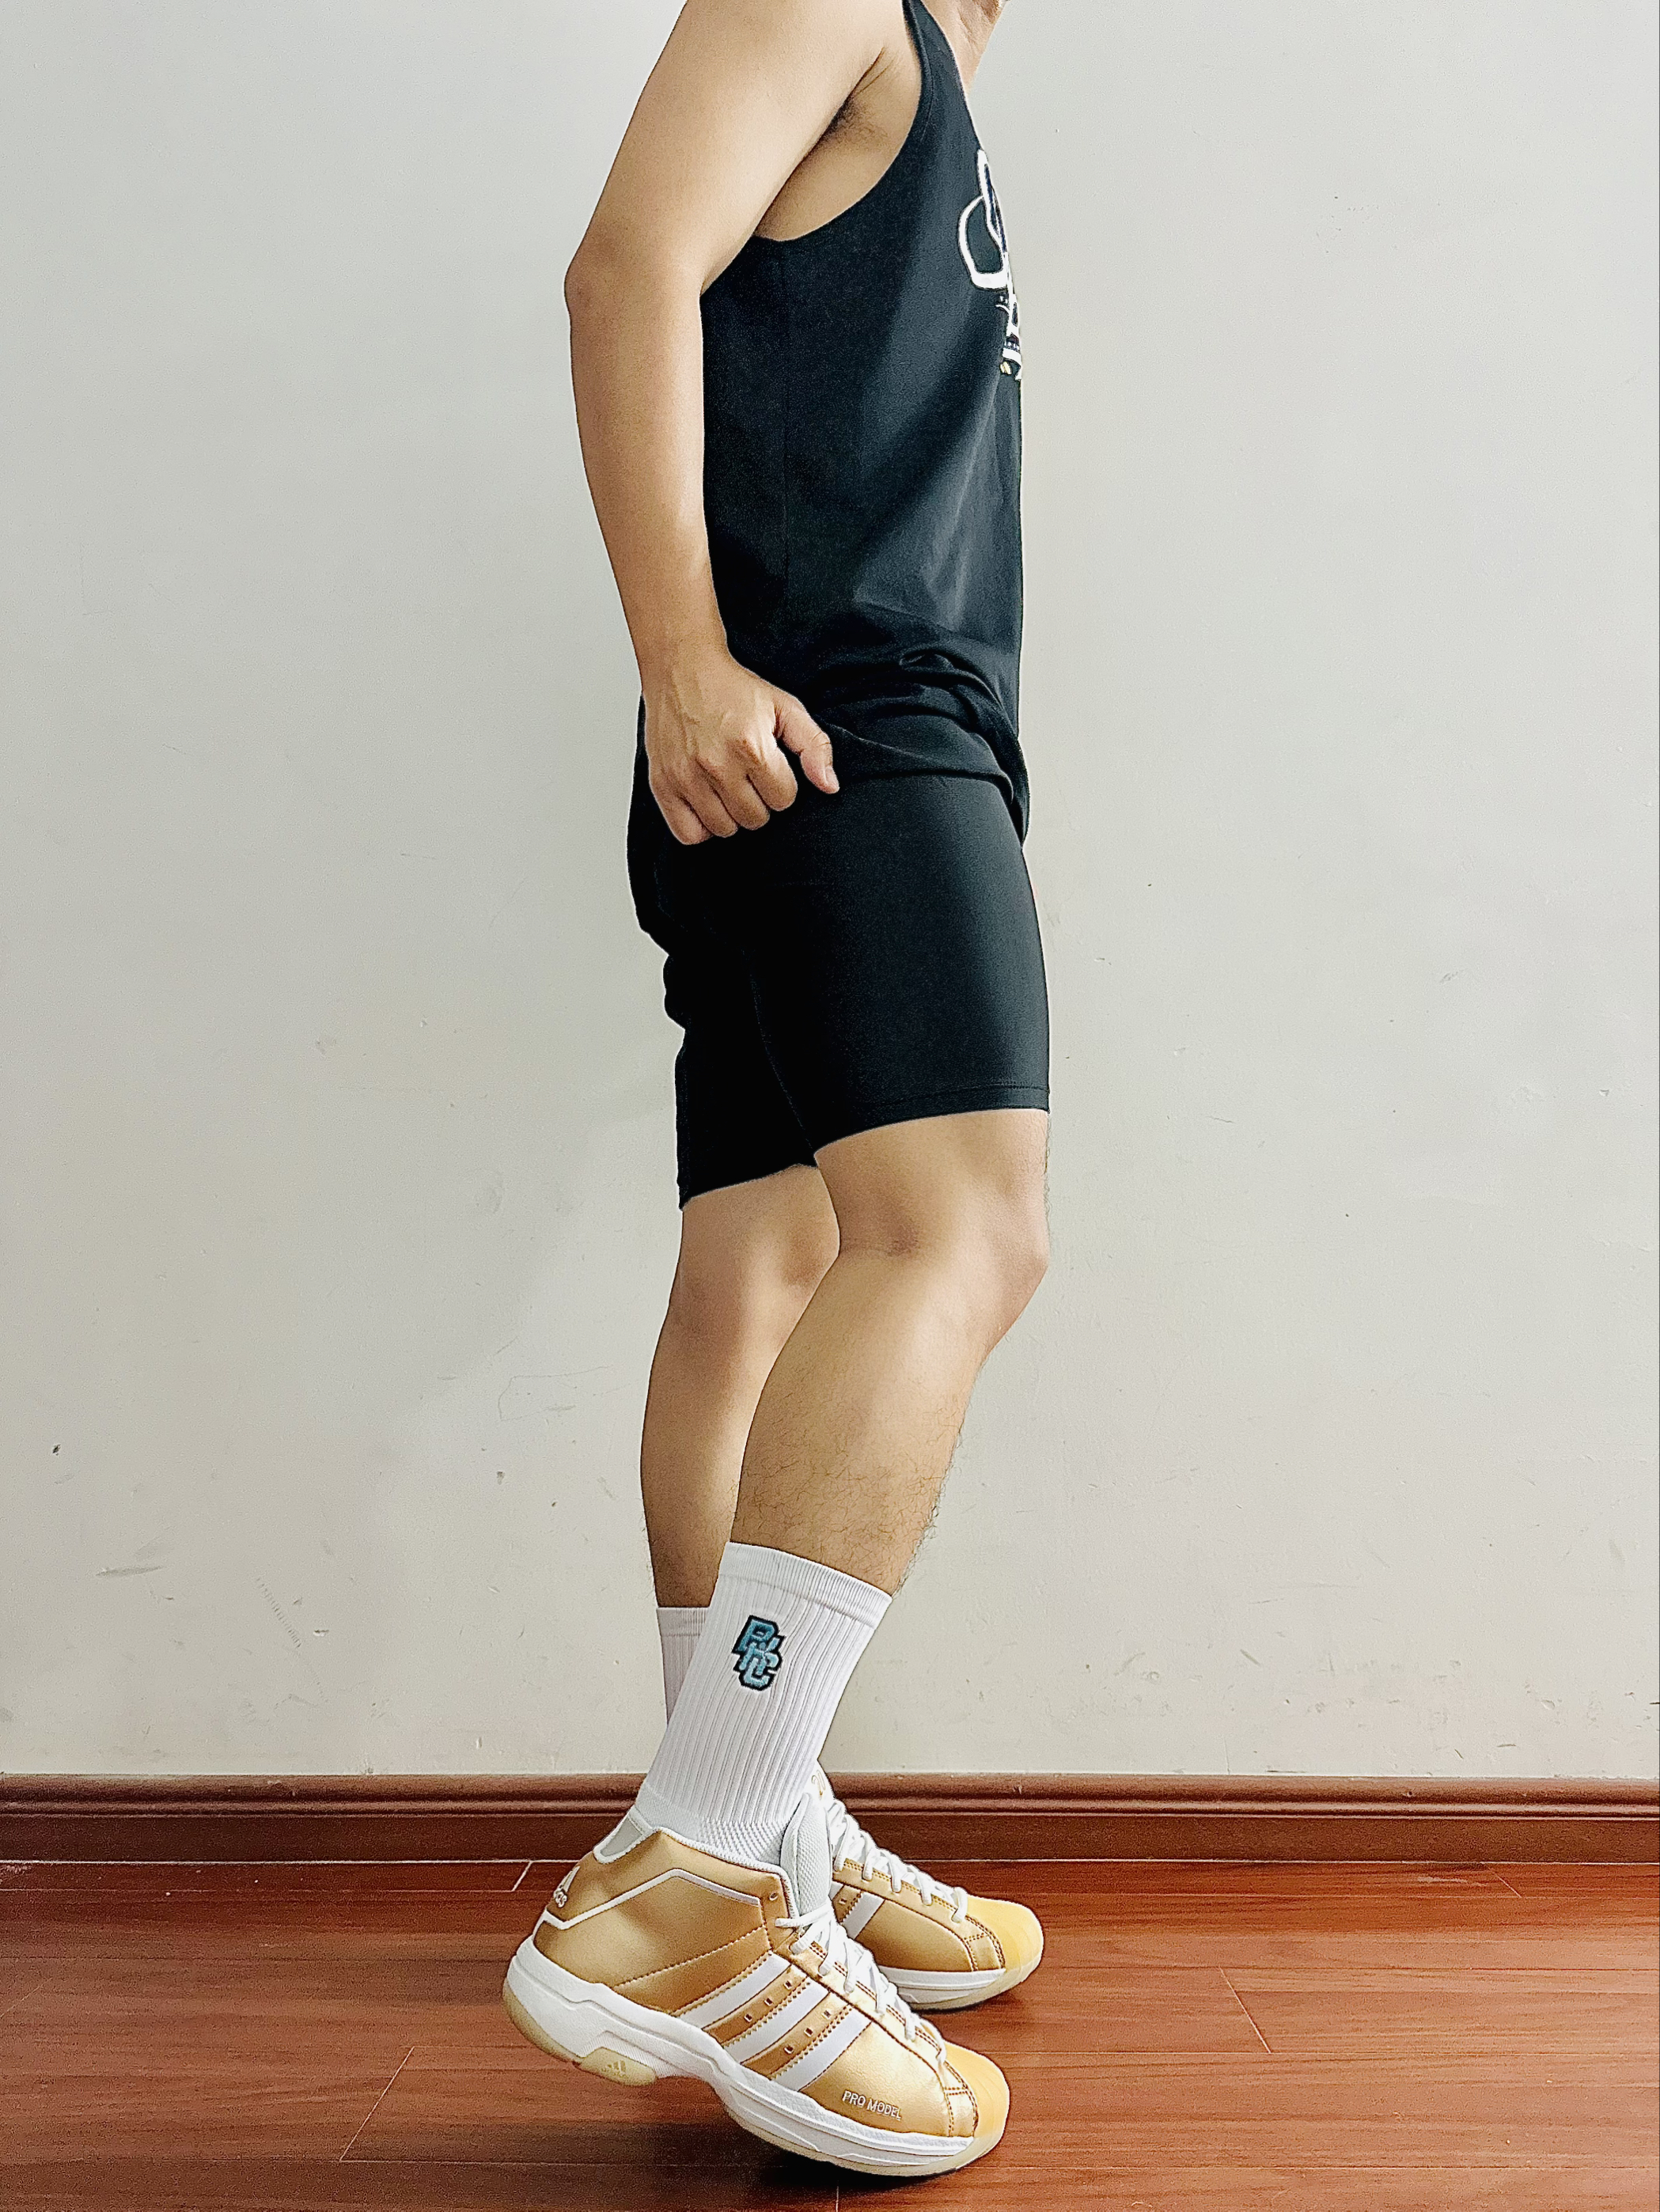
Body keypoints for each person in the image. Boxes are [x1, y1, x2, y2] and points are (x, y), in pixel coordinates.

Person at [506, 0, 1048, 2176]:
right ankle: (705, 1858)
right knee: (964, 1234)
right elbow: (623, 267)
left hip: (807, 723)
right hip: (835, 714)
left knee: (767, 1258)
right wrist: (684, 659)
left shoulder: (937, 52)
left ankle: (763, 1814)